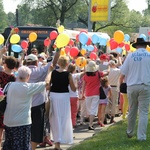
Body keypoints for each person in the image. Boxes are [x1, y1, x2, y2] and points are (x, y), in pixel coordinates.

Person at [3, 66, 49, 150]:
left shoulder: (9, 85)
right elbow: (46, 83)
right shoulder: (28, 87)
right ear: (28, 76)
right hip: (22, 123)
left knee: (9, 145)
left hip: (8, 121)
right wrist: (49, 72)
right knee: (21, 146)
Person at [26, 50, 60, 150]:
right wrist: (58, 50)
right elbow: (54, 62)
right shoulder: (41, 71)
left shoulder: (22, 71)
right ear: (36, 62)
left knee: (26, 127)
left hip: (25, 104)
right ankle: (32, 148)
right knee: (36, 127)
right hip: (38, 104)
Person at [120, 38, 150, 141]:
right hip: (145, 85)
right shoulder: (149, 55)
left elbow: (123, 72)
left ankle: (130, 132)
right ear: (145, 46)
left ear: (136, 46)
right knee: (144, 112)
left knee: (132, 110)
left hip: (132, 85)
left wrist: (121, 84)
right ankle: (141, 137)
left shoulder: (130, 55)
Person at [49, 56, 76, 150]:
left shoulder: (53, 73)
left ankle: (57, 141)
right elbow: (73, 88)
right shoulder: (68, 74)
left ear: (59, 63)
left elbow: (49, 85)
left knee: (54, 118)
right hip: (64, 96)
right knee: (64, 118)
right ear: (67, 64)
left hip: (54, 95)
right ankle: (59, 141)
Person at [82, 60, 107, 130]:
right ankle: (90, 124)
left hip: (88, 94)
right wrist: (108, 68)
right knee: (93, 109)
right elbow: (106, 73)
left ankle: (90, 122)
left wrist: (82, 93)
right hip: (96, 93)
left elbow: (84, 86)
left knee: (89, 109)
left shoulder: (85, 76)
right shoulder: (98, 73)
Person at [0, 49, 17, 148]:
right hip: (10, 105)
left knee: (0, 130)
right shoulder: (15, 79)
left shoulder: (1, 75)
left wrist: (1, 53)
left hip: (1, 103)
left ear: (5, 65)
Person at [67, 63, 85, 128]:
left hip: (67, 95)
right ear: (74, 69)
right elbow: (84, 73)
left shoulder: (66, 75)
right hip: (74, 95)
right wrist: (84, 65)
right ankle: (73, 123)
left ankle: (68, 123)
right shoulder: (75, 75)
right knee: (74, 110)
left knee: (68, 111)